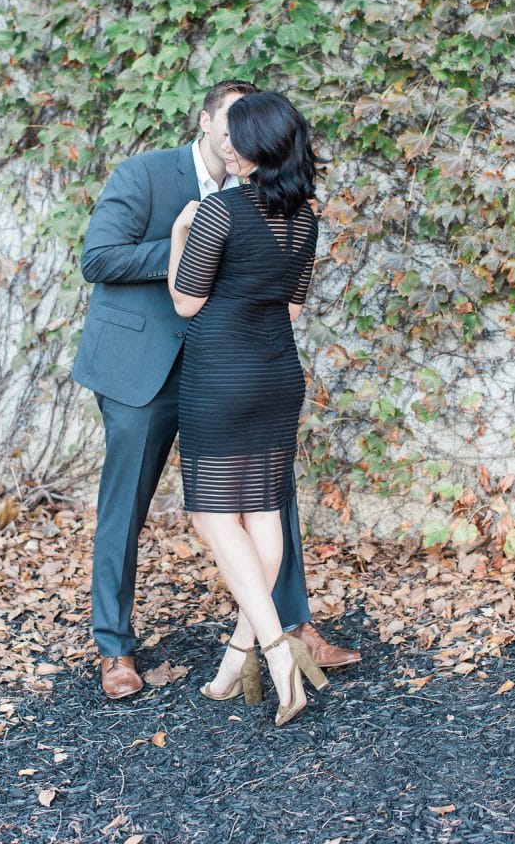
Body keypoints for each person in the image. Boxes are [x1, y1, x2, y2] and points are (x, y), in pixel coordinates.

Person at [73, 81, 361, 700]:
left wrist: (213, 247)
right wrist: (191, 241)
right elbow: (98, 258)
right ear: (205, 120)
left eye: (245, 126)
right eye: (226, 122)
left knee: (269, 499)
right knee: (126, 508)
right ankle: (114, 648)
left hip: (229, 370)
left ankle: (285, 627)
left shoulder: (260, 199)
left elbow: (217, 287)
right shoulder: (147, 174)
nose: (233, 137)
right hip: (145, 368)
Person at [169, 91, 341, 726]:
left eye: (238, 137)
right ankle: (236, 657)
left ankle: (274, 653)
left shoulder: (218, 213)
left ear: (256, 148)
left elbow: (186, 304)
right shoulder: (305, 218)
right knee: (263, 515)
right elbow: (291, 309)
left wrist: (180, 234)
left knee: (215, 519)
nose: (230, 145)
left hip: (220, 375)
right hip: (276, 373)